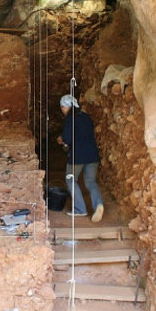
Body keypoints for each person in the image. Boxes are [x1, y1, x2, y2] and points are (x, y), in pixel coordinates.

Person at [57, 94, 105, 222]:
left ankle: (80, 209)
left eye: (62, 107)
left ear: (66, 107)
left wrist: (60, 140)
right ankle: (98, 204)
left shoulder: (70, 119)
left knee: (71, 180)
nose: (62, 109)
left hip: (77, 156)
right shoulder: (86, 117)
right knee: (90, 182)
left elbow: (67, 138)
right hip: (92, 155)